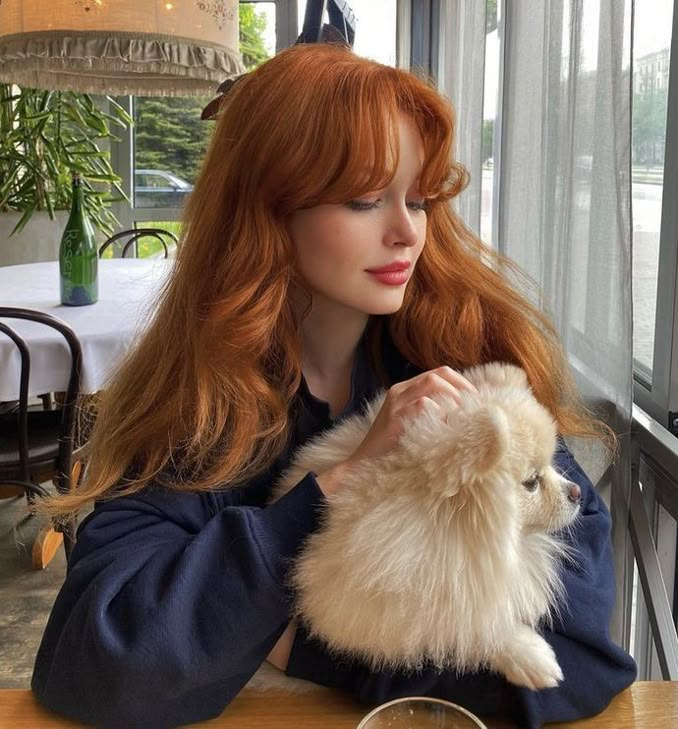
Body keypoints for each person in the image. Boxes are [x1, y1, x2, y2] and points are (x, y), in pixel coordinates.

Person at [32, 43, 636, 729]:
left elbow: (583, 651)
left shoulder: (465, 365)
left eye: (418, 198)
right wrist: (338, 484)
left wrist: (310, 645)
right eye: (363, 199)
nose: (408, 231)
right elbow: (101, 665)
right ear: (267, 208)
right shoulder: (200, 407)